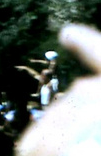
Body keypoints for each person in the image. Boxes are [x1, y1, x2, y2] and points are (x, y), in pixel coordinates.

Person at [17, 25, 101, 156]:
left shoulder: (48, 72)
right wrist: (34, 62)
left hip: (47, 99)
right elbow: (47, 65)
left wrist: (36, 89)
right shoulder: (56, 68)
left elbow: (42, 76)